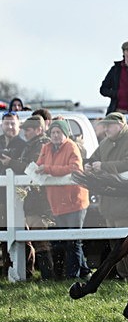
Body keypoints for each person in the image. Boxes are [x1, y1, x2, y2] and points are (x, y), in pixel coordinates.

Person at [85, 112, 128, 278]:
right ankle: (123, 273)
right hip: (109, 201)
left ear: (120, 125)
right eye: (104, 126)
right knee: (114, 240)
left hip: (126, 200)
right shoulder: (106, 142)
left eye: (108, 125)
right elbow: (94, 158)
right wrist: (89, 165)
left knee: (127, 239)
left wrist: (104, 166)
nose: (105, 129)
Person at [35, 120, 91, 278]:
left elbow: (75, 168)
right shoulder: (46, 148)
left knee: (73, 240)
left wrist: (48, 169)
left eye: (59, 132)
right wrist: (35, 169)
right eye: (53, 132)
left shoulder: (71, 147)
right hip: (57, 201)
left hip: (75, 200)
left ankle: (72, 276)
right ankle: (85, 271)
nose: (55, 135)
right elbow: (39, 164)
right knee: (66, 239)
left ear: (65, 134)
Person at [11, 116, 53, 278]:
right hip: (33, 197)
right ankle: (45, 275)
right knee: (36, 237)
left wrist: (12, 163)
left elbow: (32, 167)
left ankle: (48, 275)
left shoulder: (41, 145)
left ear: (39, 130)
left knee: (41, 238)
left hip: (40, 198)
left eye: (28, 130)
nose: (25, 133)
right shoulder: (31, 145)